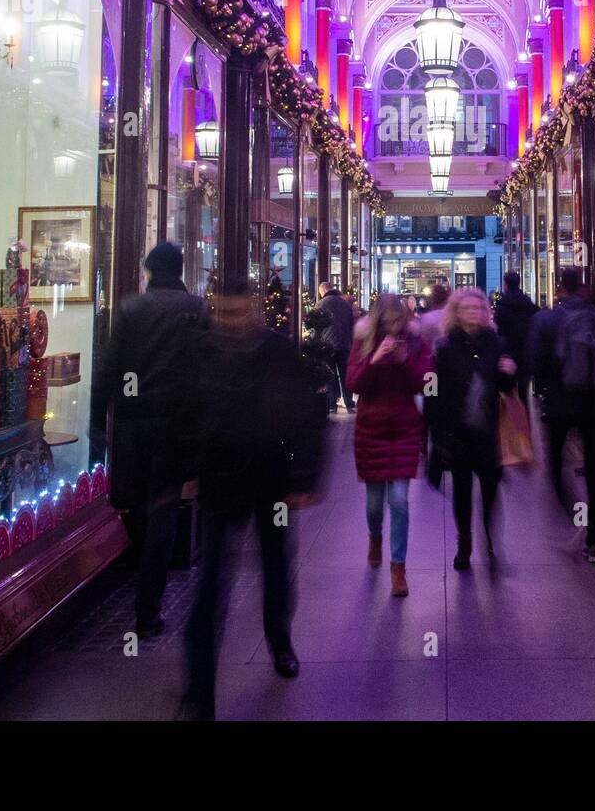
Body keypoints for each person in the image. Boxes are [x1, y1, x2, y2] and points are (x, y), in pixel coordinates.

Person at [180, 279, 325, 721]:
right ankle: (199, 689)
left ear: (255, 311)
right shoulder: (198, 352)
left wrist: (303, 477)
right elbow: (184, 413)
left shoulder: (279, 352)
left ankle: (279, 640)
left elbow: (306, 415)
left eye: (239, 313)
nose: (231, 322)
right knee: (210, 585)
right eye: (222, 313)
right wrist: (187, 470)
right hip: (221, 480)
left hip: (272, 480)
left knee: (277, 566)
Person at [100, 241, 209, 638]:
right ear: (179, 270)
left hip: (133, 425)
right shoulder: (196, 310)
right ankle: (148, 607)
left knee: (139, 506)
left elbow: (111, 365)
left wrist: (98, 421)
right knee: (163, 506)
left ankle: (137, 583)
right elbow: (205, 370)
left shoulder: (130, 308)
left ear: (149, 270)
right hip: (177, 427)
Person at [346, 294, 430, 597]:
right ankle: (374, 537)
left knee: (399, 500)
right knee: (373, 502)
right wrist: (375, 359)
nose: (395, 329)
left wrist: (405, 360)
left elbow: (428, 382)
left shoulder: (416, 341)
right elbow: (353, 383)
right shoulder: (364, 341)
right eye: (389, 322)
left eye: (399, 322)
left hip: (405, 428)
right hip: (372, 429)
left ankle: (398, 567)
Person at [529, 267, 595, 564]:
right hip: (594, 403)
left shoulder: (546, 319)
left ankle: (577, 520)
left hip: (560, 403)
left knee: (555, 467)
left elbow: (536, 362)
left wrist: (544, 389)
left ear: (558, 287)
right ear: (581, 285)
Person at [427, 287, 516, 570]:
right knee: (462, 489)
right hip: (458, 431)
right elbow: (434, 393)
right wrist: (435, 435)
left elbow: (505, 389)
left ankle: (489, 536)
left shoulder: (496, 344)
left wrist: (507, 373)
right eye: (468, 309)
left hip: (488, 431)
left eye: (479, 309)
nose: (474, 313)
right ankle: (464, 541)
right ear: (456, 313)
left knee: (490, 486)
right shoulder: (444, 347)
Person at [494, 270, 538, 404]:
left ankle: (512, 421)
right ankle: (524, 420)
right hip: (526, 350)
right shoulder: (528, 303)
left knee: (508, 391)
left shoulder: (502, 305)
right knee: (524, 392)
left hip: (508, 352)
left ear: (506, 284)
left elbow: (498, 328)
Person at [316, 280, 355, 414]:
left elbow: (316, 325)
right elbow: (351, 324)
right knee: (345, 374)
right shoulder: (344, 304)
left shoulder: (320, 304)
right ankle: (349, 403)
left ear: (323, 291)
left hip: (328, 345)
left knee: (330, 375)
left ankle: (332, 404)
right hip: (344, 344)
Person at [417, 281, 450, 354]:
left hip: (433, 354)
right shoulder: (452, 316)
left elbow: (423, 340)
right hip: (451, 355)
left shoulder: (427, 318)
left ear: (431, 299)